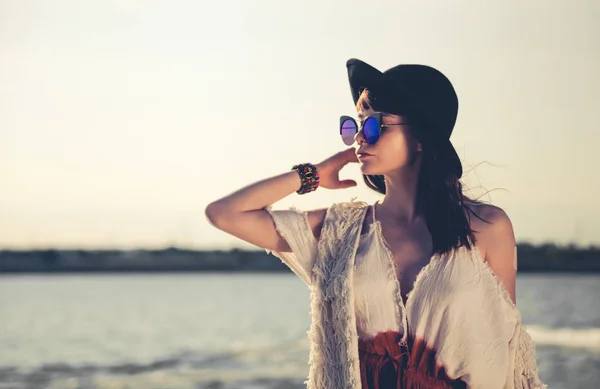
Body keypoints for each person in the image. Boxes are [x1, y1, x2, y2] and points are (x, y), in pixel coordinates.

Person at [205, 59, 546, 389]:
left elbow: (507, 349)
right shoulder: (341, 231)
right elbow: (225, 214)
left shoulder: (487, 227)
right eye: (354, 125)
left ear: (421, 138)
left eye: (373, 125)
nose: (358, 139)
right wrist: (311, 175)